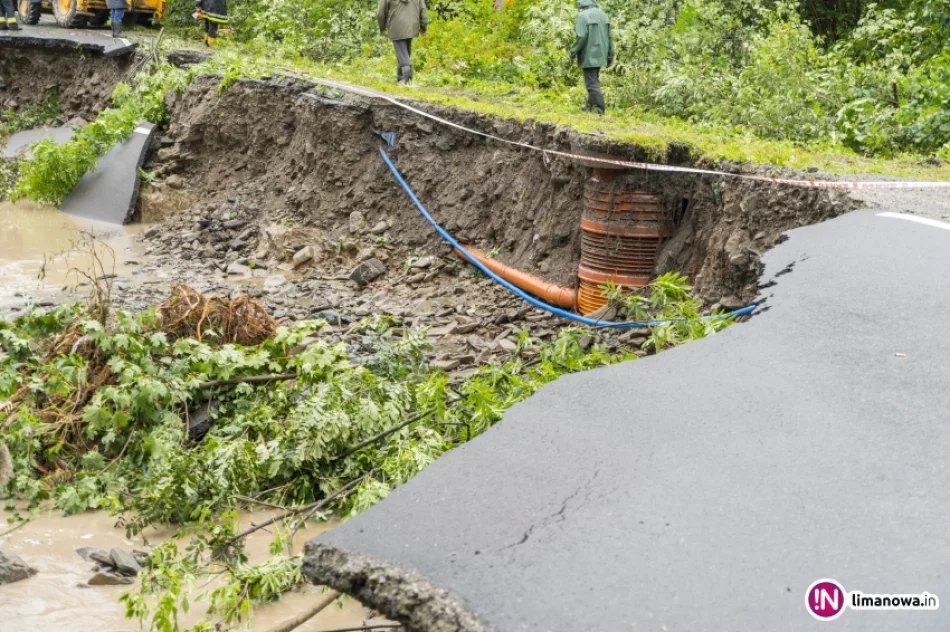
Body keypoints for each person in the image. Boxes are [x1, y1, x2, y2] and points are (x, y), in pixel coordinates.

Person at [569, 0, 614, 115]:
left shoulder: (582, 16)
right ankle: (589, 106)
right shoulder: (603, 15)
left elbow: (581, 37)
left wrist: (573, 52)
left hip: (589, 55)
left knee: (591, 84)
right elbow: (610, 37)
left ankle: (600, 110)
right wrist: (610, 55)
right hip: (602, 54)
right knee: (594, 80)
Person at [377, 0, 428, 85]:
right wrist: (423, 26)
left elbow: (380, 13)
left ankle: (405, 78)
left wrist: (382, 27)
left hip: (396, 27)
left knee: (402, 54)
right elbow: (423, 10)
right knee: (405, 53)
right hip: (412, 26)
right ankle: (401, 78)